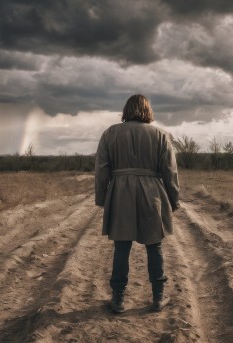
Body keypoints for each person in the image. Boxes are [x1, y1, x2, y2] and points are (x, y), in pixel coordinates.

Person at [95, 94, 180, 314]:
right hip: (152, 193)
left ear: (126, 109)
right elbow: (170, 172)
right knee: (154, 245)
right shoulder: (161, 135)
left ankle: (118, 299)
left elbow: (101, 171)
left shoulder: (110, 133)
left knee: (121, 246)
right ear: (148, 110)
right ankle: (158, 298)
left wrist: (103, 199)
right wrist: (173, 200)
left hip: (120, 193)